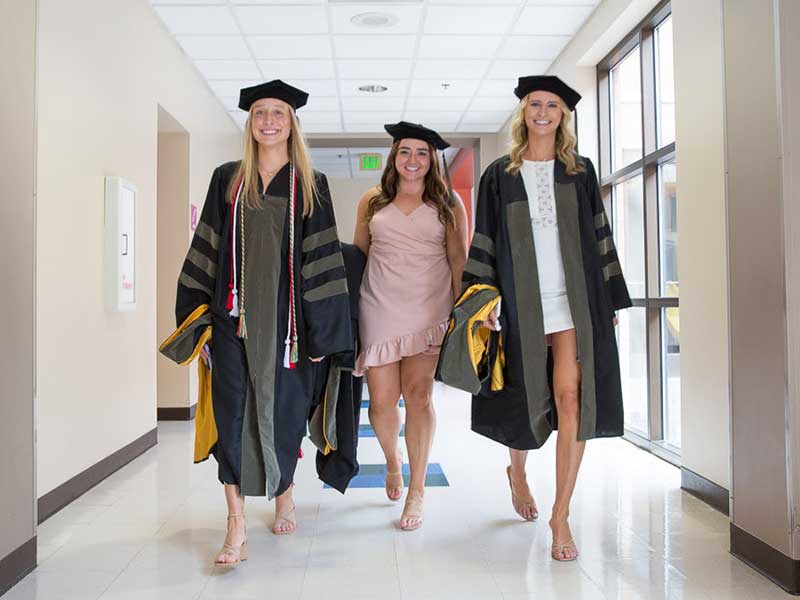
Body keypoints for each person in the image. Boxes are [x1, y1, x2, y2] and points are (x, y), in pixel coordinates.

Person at [173, 79, 352, 563]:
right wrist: (198, 322)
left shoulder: (310, 183)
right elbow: (205, 250)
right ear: (249, 123)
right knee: (231, 416)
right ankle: (234, 524)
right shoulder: (228, 178)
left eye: (278, 113)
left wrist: (324, 333)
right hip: (234, 323)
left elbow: (323, 258)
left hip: (290, 330)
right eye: (259, 113)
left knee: (287, 416)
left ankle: (284, 492)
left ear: (292, 122)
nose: (269, 121)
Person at [462, 76, 632, 560]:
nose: (542, 112)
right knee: (523, 393)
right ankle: (517, 469)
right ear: (524, 113)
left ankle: (561, 514)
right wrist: (482, 300)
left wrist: (608, 302)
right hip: (520, 301)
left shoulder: (579, 172)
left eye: (551, 105)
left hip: (572, 301)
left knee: (571, 396)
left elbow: (600, 236)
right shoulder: (500, 174)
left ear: (563, 115)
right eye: (534, 104)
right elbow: (486, 241)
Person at [353, 122, 468, 531]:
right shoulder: (372, 201)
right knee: (382, 403)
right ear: (394, 157)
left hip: (429, 310)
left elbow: (459, 262)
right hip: (379, 307)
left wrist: (464, 317)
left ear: (432, 160)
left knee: (419, 397)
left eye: (422, 153)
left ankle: (417, 489)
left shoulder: (449, 203)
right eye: (406, 152)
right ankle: (392, 461)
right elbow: (359, 259)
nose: (413, 160)